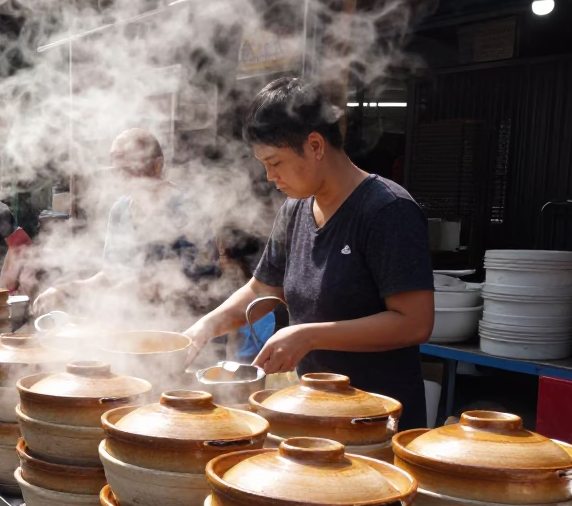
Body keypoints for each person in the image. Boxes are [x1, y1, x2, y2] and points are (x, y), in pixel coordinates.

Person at [183, 78, 435, 427]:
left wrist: (309, 334)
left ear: (315, 145)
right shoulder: (295, 209)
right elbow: (262, 290)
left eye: (275, 162)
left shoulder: (387, 210)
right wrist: (203, 327)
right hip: (314, 412)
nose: (270, 176)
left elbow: (415, 322)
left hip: (376, 421)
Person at [32, 128, 220, 324]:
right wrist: (64, 290)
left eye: (130, 161)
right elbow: (110, 275)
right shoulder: (120, 210)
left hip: (181, 328)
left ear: (157, 165)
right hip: (129, 327)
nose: (120, 170)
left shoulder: (187, 209)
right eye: (115, 160)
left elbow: (200, 283)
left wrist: (130, 291)